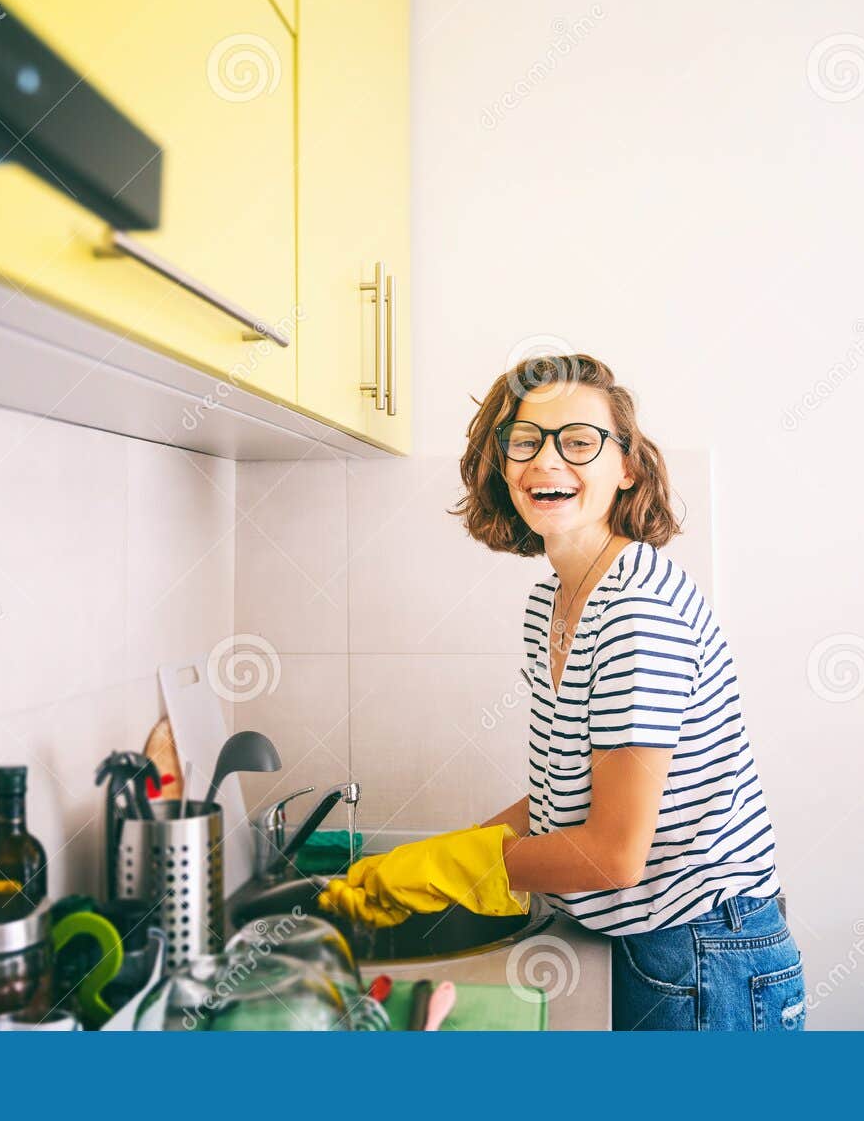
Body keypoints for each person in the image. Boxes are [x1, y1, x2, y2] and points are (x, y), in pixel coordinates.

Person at [318, 352, 805, 1031]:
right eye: (525, 441)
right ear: (502, 464)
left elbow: (613, 854)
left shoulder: (638, 611)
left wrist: (461, 865)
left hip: (703, 955)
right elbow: (565, 792)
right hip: (654, 941)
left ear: (627, 465)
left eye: (578, 441)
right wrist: (447, 853)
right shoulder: (553, 600)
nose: (547, 460)